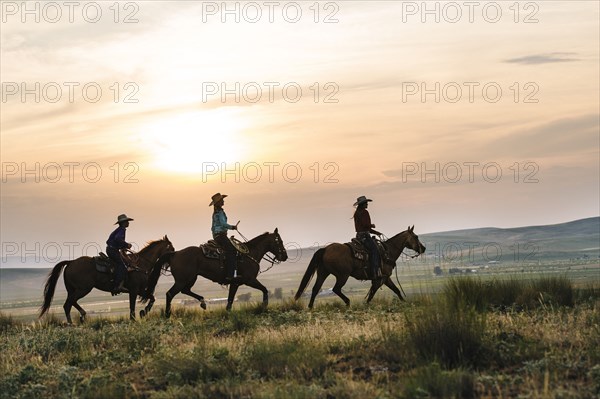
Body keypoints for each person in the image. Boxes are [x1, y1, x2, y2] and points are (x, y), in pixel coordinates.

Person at [210, 193, 239, 281]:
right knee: (232, 250)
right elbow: (223, 224)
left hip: (217, 235)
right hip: (221, 235)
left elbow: (213, 227)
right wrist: (232, 227)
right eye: (222, 200)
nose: (223, 201)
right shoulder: (220, 212)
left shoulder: (216, 212)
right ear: (218, 202)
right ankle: (230, 275)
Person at [353, 196, 383, 280]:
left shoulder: (357, 213)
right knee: (375, 250)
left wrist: (376, 233)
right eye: (366, 203)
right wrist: (371, 225)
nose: (367, 204)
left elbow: (365, 227)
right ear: (362, 204)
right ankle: (374, 271)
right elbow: (366, 226)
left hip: (359, 236)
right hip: (365, 237)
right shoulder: (364, 212)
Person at [106, 214, 133, 295]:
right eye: (127, 221)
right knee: (122, 265)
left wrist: (123, 246)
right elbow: (118, 239)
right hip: (112, 250)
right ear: (123, 222)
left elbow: (116, 240)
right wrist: (126, 244)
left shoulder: (119, 229)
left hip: (111, 249)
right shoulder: (121, 230)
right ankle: (117, 286)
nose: (128, 222)